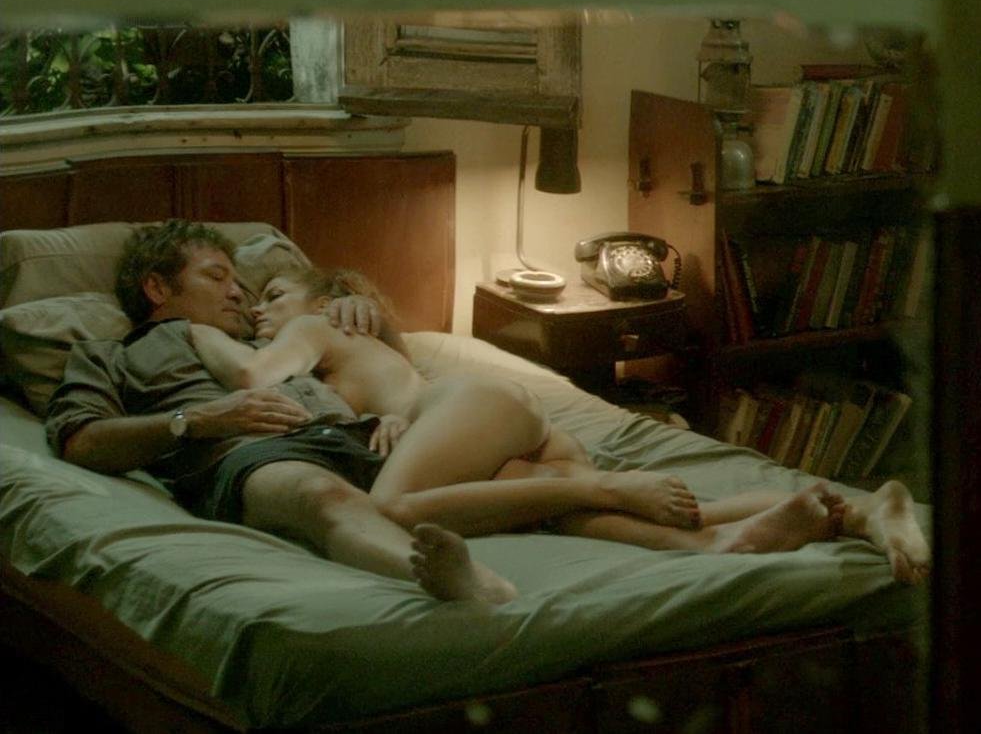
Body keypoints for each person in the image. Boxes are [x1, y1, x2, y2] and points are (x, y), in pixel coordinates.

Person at [196, 266, 930, 583]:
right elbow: (393, 385)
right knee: (599, 516)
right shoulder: (373, 350)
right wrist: (389, 414)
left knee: (389, 508)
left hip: (478, 407)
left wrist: (198, 330)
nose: (260, 309)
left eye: (274, 293)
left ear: (326, 297)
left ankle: (609, 486)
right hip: (495, 432)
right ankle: (853, 510)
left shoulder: (317, 325)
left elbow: (252, 378)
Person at [45, 221, 516, 604]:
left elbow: (384, 380)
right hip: (258, 453)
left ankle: (565, 497)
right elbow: (81, 441)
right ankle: (460, 582)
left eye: (238, 282)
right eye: (216, 277)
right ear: (157, 287)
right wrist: (195, 421)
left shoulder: (272, 340)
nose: (238, 294)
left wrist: (368, 324)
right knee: (322, 494)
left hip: (361, 437)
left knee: (515, 467)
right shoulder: (111, 355)